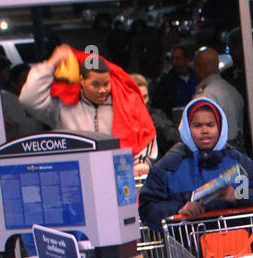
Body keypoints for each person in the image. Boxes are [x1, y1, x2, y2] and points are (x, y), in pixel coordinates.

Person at [137, 96, 253, 231]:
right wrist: (180, 209)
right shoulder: (170, 166)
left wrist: (238, 195)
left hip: (239, 245)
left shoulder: (237, 160)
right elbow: (147, 208)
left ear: (219, 127)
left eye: (210, 125)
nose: (205, 131)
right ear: (187, 129)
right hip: (189, 248)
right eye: (197, 126)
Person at [19, 45, 156, 170]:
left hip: (119, 179)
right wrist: (51, 64)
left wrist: (143, 163)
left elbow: (146, 133)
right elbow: (28, 99)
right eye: (95, 85)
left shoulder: (124, 103)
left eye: (106, 84)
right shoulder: (63, 106)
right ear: (82, 81)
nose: (102, 90)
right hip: (76, 179)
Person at [193, 47, 245, 150]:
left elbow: (203, 134)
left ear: (199, 67)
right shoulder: (233, 91)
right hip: (236, 151)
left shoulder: (206, 94)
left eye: (195, 66)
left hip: (218, 154)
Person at [130, 73, 180, 157]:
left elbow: (176, 139)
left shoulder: (157, 119)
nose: (142, 102)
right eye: (137, 97)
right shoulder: (118, 120)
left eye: (145, 97)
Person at [150, 45, 197, 118]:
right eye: (172, 59)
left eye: (178, 59)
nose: (174, 62)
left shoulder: (196, 77)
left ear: (187, 59)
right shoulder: (166, 82)